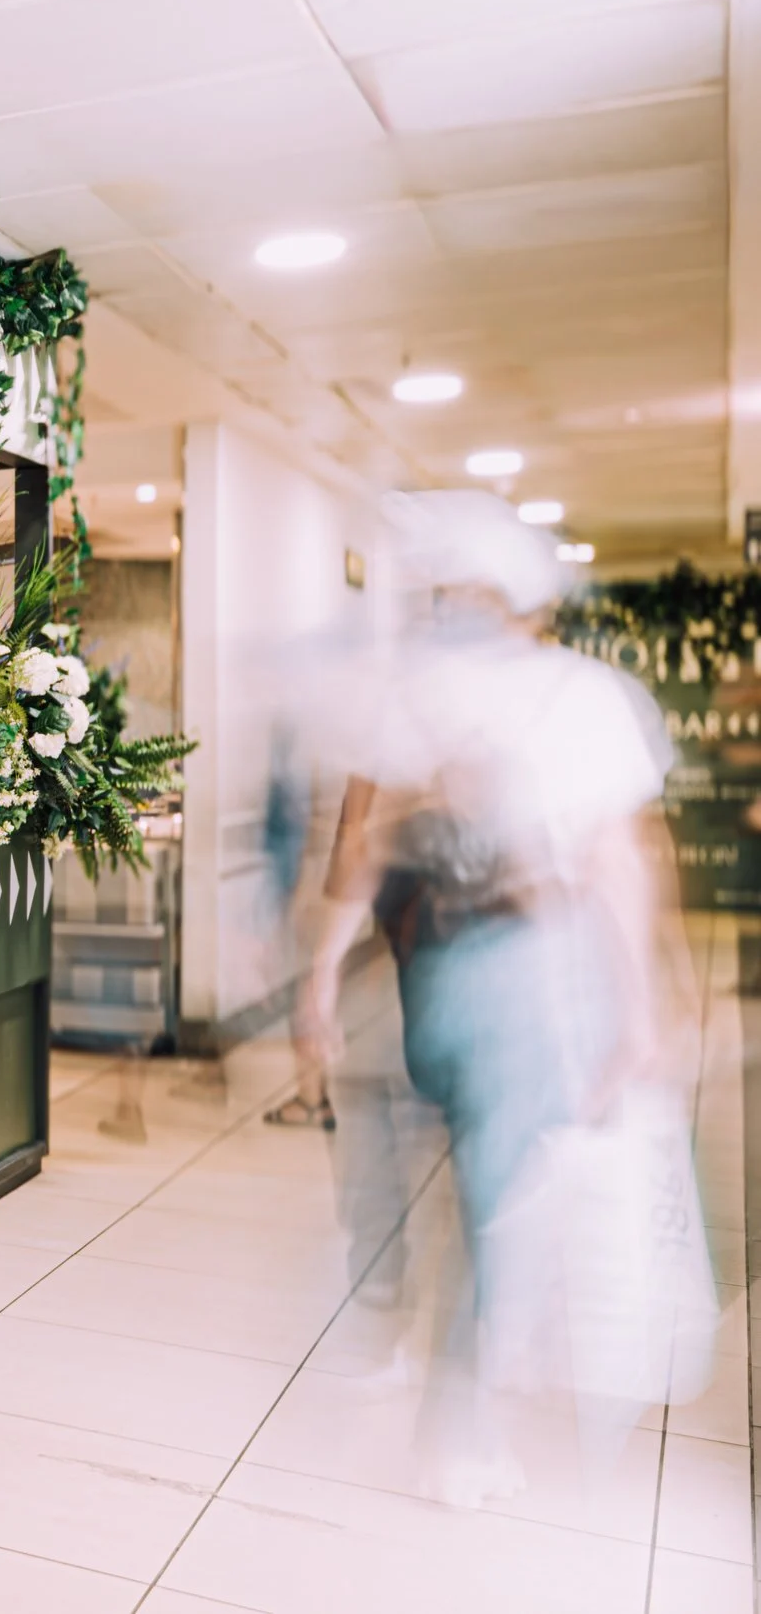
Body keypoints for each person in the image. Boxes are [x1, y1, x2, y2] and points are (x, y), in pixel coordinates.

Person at [292, 490, 701, 1501]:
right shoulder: (583, 695)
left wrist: (317, 976)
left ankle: (386, 1330)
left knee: (405, 1169)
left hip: (421, 972)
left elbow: (362, 844)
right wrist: (648, 1003)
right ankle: (459, 1434)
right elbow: (616, 858)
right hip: (531, 974)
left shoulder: (406, 693)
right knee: (501, 1200)